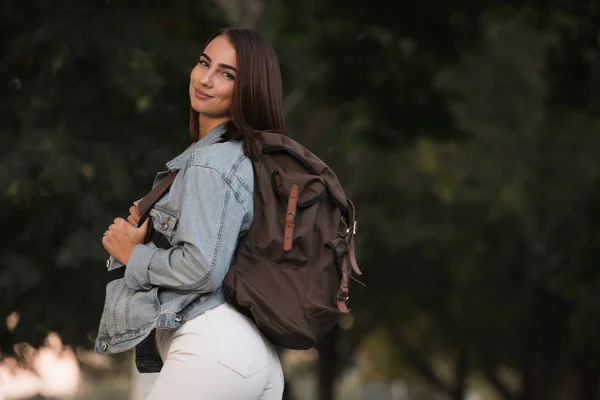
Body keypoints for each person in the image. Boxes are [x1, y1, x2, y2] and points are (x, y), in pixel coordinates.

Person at [96, 28, 285, 399]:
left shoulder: (211, 163)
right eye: (204, 63)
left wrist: (131, 253)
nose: (206, 78)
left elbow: (201, 267)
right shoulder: (249, 160)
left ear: (248, 89)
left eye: (227, 74)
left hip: (212, 346)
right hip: (252, 353)